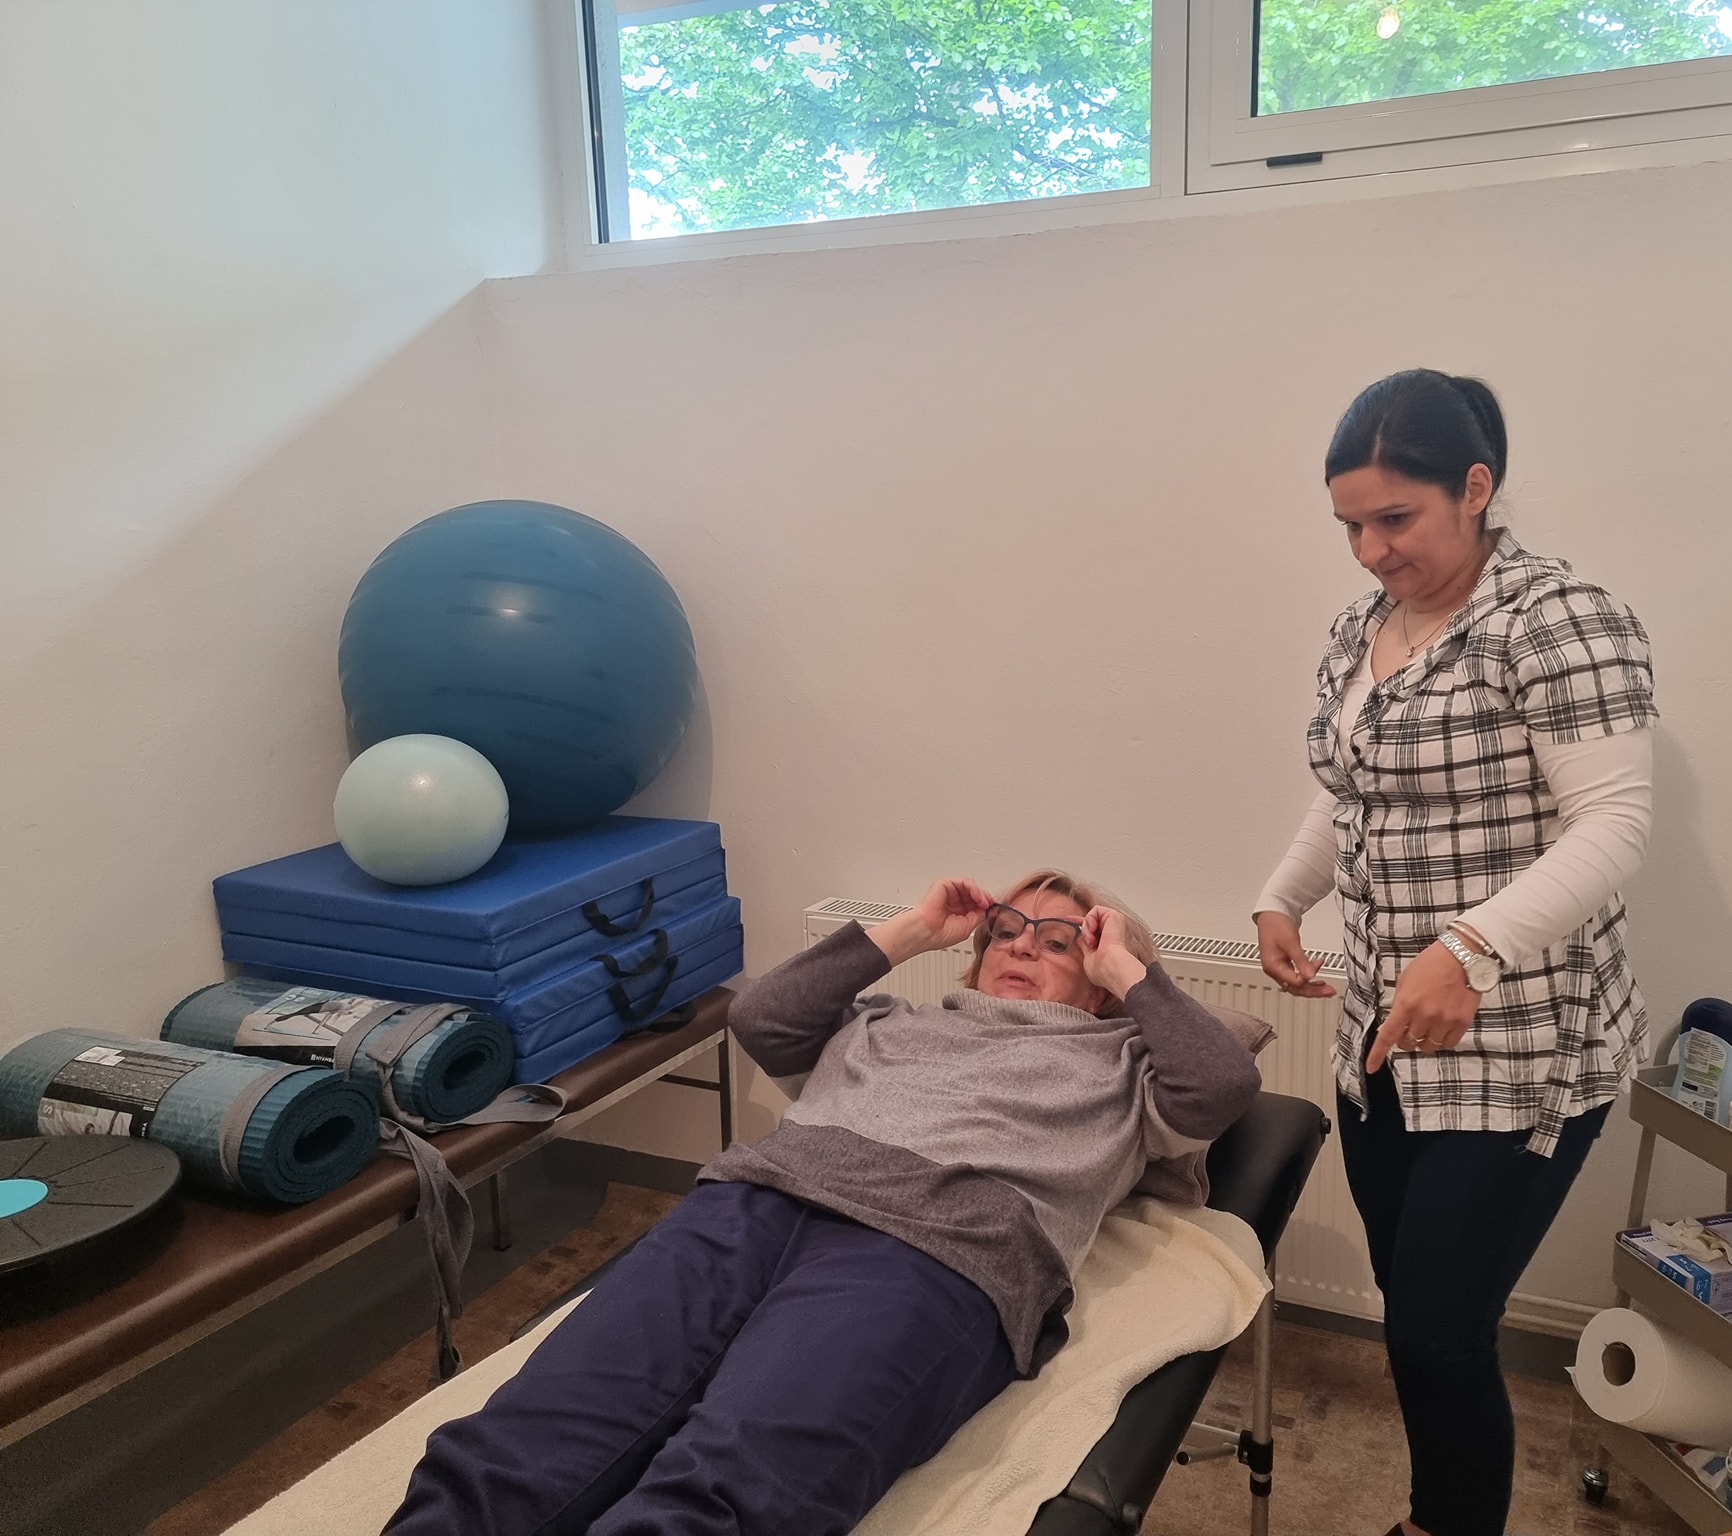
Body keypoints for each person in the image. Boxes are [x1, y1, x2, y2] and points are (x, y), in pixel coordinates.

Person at [386, 869, 1261, 1536]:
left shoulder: (1125, 1066)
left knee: (726, 1485)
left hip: (937, 1252)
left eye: (1060, 941)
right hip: (748, 1206)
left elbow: (1221, 1086)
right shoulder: (890, 1021)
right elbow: (764, 1017)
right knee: (516, 1446)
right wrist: (914, 931)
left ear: (1104, 979)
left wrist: (1133, 972)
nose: (1022, 947)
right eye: (1008, 929)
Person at [1252, 370, 1656, 1536]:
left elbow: (1613, 825)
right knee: (1413, 1313)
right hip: (1386, 1034)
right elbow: (1349, 791)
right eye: (1349, 526)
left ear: (1474, 489)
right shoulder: (1362, 628)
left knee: (1438, 1331)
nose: (1370, 551)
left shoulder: (1556, 619)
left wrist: (1470, 948)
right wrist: (1282, 897)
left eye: (1395, 519)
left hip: (1519, 1043)